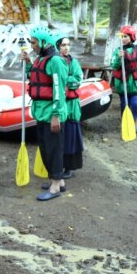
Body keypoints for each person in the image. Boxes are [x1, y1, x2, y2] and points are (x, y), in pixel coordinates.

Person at [21, 27, 68, 201]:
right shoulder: (41, 58)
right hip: (41, 111)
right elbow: (34, 77)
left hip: (51, 113)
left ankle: (55, 187)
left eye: (33, 42)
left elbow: (58, 90)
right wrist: (27, 63)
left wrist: (56, 115)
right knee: (46, 148)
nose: (31, 45)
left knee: (53, 149)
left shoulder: (55, 61)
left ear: (43, 42)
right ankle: (59, 181)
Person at [55, 35, 84, 179]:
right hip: (58, 106)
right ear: (57, 47)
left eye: (68, 45)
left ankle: (70, 167)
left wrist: (63, 81)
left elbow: (78, 79)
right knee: (59, 137)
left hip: (71, 106)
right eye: (63, 45)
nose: (66, 47)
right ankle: (57, 165)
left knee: (71, 136)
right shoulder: (54, 62)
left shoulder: (74, 63)